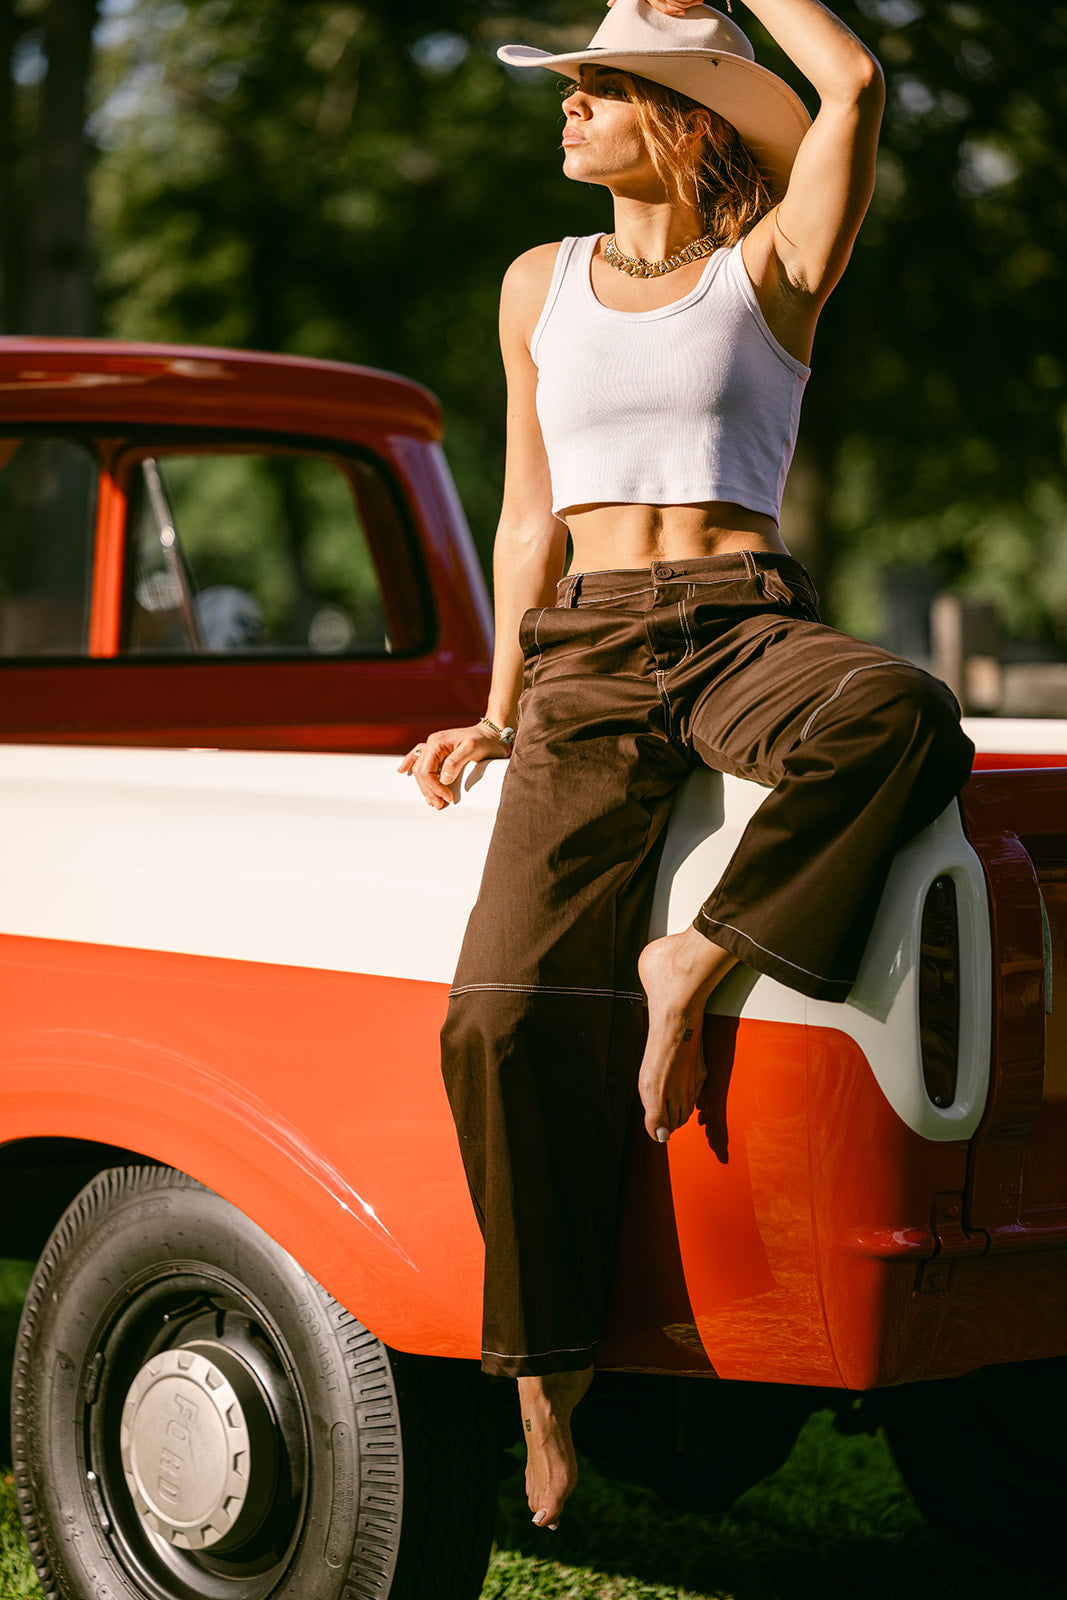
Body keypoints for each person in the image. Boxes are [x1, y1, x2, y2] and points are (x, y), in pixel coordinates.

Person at [399, 0, 974, 1533]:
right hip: (583, 651)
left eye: (599, 87)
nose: (566, 108)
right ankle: (545, 1380)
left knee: (900, 712)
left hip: (740, 623)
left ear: (681, 114)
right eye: (572, 86)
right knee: (497, 1019)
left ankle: (693, 964)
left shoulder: (773, 268)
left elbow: (849, 79)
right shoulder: (537, 285)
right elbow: (527, 516)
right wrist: (502, 706)